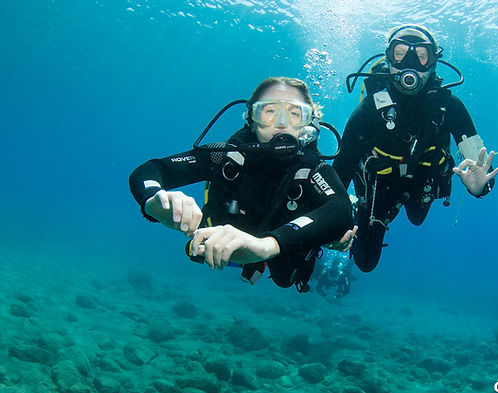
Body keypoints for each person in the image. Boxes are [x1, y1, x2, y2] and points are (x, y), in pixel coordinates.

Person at [129, 77, 354, 292]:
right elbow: (151, 170)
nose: (282, 122)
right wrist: (154, 200)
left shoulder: (313, 169)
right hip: (220, 244)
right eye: (269, 111)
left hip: (284, 246)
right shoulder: (224, 157)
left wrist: (266, 247)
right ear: (252, 119)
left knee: (288, 277)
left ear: (309, 124)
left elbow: (340, 209)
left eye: (295, 113)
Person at [334, 25, 498, 273]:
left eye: (422, 56)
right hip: (380, 181)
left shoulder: (450, 107)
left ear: (433, 62)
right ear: (389, 59)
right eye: (400, 54)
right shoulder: (369, 109)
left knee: (417, 218)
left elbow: (481, 166)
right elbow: (341, 171)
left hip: (424, 178)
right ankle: (365, 207)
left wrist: (481, 188)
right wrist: (336, 219)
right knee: (365, 263)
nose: (410, 63)